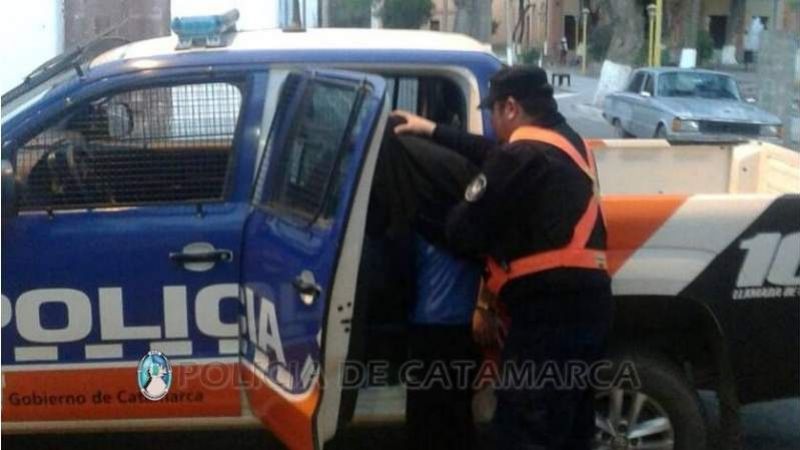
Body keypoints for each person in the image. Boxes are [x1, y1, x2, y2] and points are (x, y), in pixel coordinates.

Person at [392, 65, 614, 450]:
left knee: (523, 429)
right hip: (589, 309)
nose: (491, 122)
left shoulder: (518, 159)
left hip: (547, 321)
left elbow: (462, 230)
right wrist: (431, 130)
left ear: (510, 108)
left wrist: (437, 207)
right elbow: (495, 152)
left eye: (492, 112)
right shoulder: (568, 143)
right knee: (572, 427)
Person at [367, 117, 492, 450]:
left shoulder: (423, 207)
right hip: (452, 325)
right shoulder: (440, 188)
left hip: (440, 325)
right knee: (450, 417)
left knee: (432, 420)